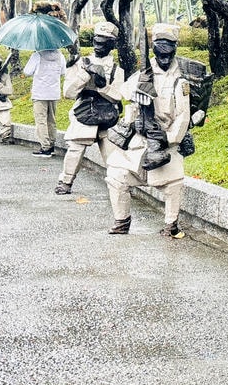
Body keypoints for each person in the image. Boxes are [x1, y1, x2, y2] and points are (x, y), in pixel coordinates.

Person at [105, 22, 190, 238]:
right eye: (160, 50)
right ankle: (122, 220)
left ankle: (171, 225)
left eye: (168, 50)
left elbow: (183, 116)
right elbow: (124, 95)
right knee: (116, 175)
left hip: (165, 139)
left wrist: (169, 138)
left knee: (173, 183)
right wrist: (137, 93)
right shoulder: (143, 73)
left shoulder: (180, 79)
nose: (164, 56)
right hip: (139, 140)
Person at [55, 21, 125, 195]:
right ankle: (66, 181)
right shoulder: (80, 63)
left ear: (112, 44)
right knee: (75, 150)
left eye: (105, 42)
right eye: (97, 41)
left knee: (113, 156)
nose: (99, 45)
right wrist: (85, 75)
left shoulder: (117, 69)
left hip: (108, 114)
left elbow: (118, 96)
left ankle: (117, 187)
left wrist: (103, 86)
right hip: (84, 111)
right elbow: (69, 93)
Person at [23, 46, 66, 157]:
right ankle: (51, 145)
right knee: (52, 120)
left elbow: (27, 71)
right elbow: (63, 72)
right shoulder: (60, 56)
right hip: (54, 92)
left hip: (40, 92)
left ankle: (45, 147)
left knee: (41, 120)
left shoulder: (37, 55)